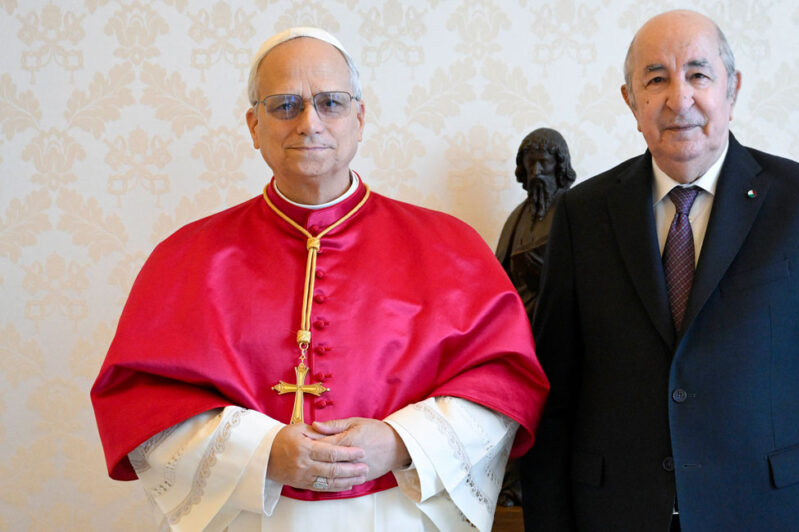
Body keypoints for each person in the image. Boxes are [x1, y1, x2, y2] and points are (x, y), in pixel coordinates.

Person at [91, 27, 548, 531]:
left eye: (330, 102)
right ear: (253, 125)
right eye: (285, 105)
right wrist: (262, 451)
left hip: (398, 514)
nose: (309, 123)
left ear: (360, 117)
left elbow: (503, 385)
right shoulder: (187, 257)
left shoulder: (450, 247)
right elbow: (142, 401)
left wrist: (399, 442)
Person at [520, 10, 799, 532]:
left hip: (771, 514)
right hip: (617, 514)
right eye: (655, 79)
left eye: (699, 74)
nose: (679, 99)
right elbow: (552, 399)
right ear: (631, 101)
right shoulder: (583, 214)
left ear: (732, 89)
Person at [495, 127, 576, 320]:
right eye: (530, 164)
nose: (536, 172)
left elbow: (589, 276)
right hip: (520, 323)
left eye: (543, 163)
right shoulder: (516, 217)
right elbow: (499, 275)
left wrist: (544, 272)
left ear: (559, 165)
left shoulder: (575, 211)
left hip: (559, 321)